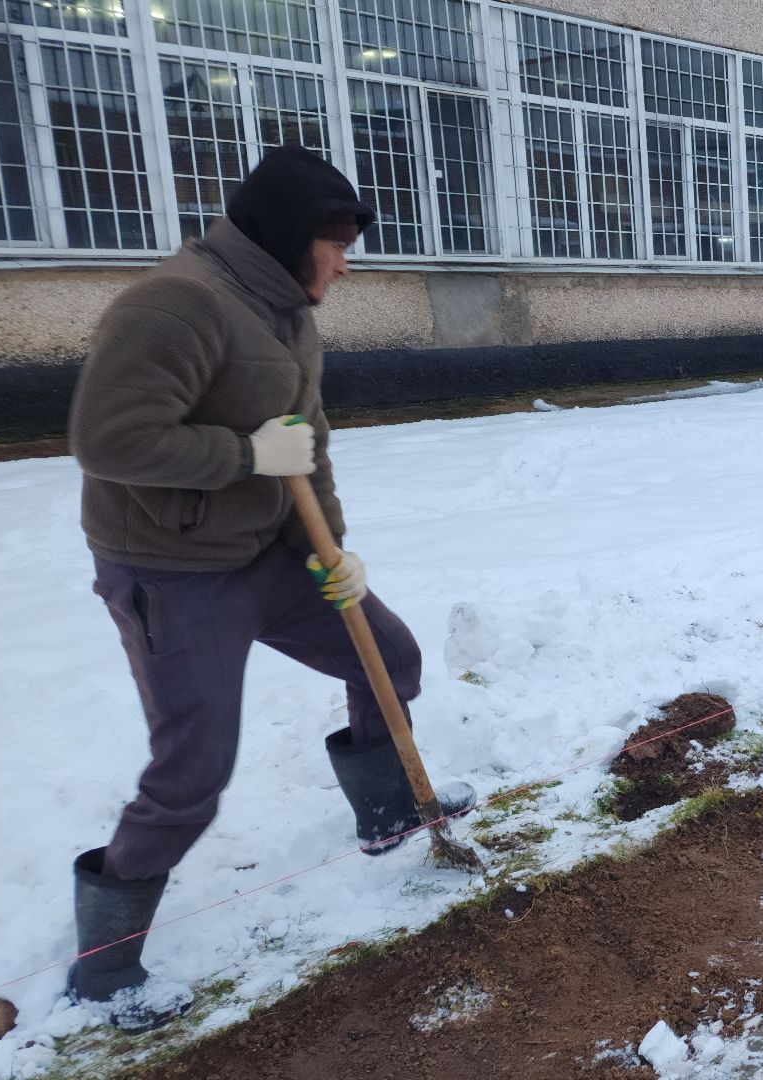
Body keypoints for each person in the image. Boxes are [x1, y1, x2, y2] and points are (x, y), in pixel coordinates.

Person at [66, 147, 469, 1032]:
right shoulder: (176, 303)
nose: (347, 263)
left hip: (265, 555)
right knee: (192, 769)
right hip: (172, 574)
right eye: (337, 244)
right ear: (294, 239)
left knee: (387, 654)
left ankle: (387, 812)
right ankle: (103, 971)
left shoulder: (288, 311)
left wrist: (330, 551)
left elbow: (307, 441)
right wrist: (246, 457)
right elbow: (110, 440)